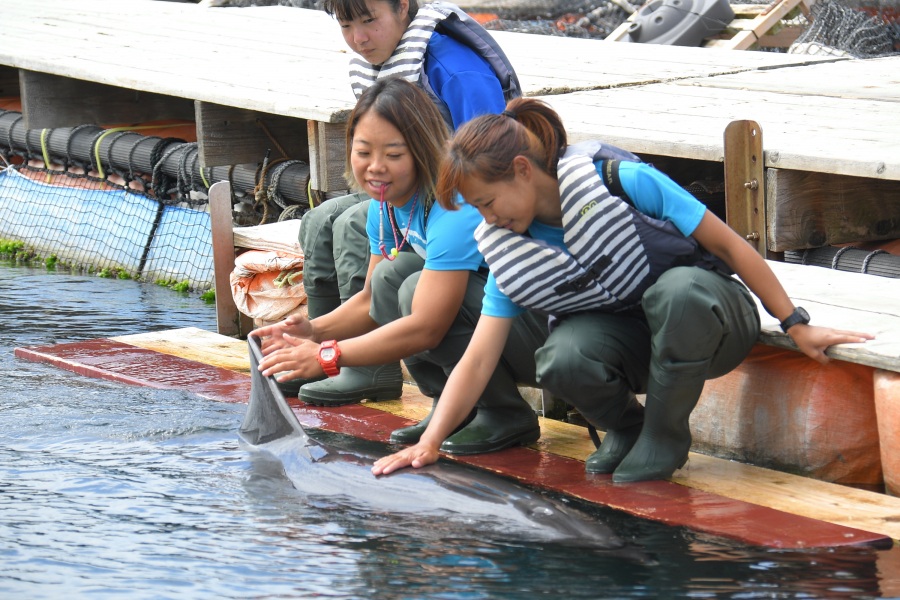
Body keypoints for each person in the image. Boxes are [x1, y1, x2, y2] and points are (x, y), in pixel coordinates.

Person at [371, 97, 875, 483]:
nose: (489, 219)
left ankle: (664, 433)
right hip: (633, 342)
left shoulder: (617, 180)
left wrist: (795, 322)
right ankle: (627, 428)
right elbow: (479, 357)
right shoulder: (509, 245)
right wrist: (433, 440)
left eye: (488, 201)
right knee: (561, 355)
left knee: (675, 292)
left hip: (711, 319)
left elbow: (730, 247)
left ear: (523, 170)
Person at [255, 78, 547, 454]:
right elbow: (371, 300)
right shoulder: (386, 200)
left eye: (394, 155)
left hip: (536, 333)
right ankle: (453, 405)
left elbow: (427, 327)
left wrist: (328, 355)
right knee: (393, 279)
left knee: (411, 289)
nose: (376, 168)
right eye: (364, 152)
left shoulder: (453, 202)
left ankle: (502, 411)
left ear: (422, 151)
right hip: (494, 329)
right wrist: (311, 331)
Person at [293, 0, 521, 405]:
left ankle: (365, 366)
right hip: (416, 187)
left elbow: (491, 163)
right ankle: (316, 360)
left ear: (402, 8)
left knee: (351, 227)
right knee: (320, 219)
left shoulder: (456, 72)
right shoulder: (382, 57)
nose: (359, 38)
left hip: (461, 196)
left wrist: (325, 349)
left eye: (369, 21)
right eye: (346, 25)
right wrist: (307, 333)